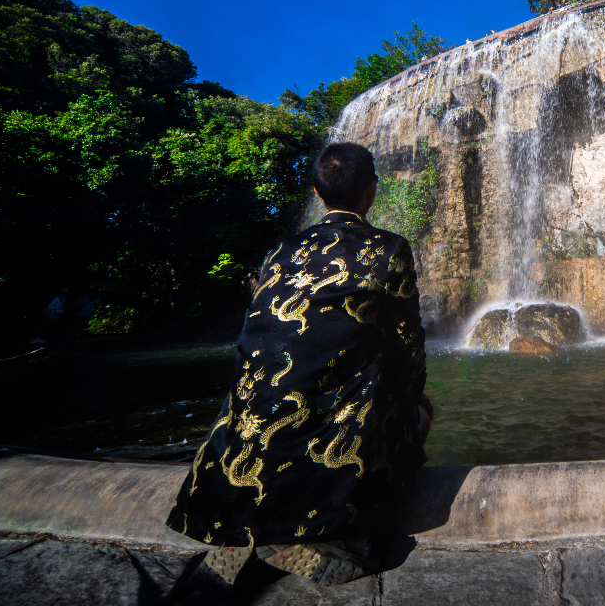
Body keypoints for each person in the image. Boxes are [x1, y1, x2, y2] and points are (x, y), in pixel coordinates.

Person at [166, 142, 432, 593]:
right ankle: (338, 535)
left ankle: (236, 539)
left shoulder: (281, 250)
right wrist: (414, 399)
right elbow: (407, 344)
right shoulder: (387, 248)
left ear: (316, 191)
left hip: (244, 430)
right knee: (414, 411)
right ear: (371, 191)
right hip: (325, 431)